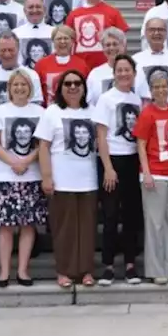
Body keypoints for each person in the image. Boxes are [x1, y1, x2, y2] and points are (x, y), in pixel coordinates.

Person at [38, 68, 100, 288]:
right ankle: (64, 270)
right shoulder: (52, 112)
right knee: (64, 229)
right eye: (68, 84)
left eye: (77, 84)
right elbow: (43, 147)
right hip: (62, 181)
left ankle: (86, 271)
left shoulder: (93, 112)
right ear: (60, 88)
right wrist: (47, 177)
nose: (73, 87)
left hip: (88, 181)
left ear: (84, 88)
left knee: (87, 229)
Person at [0, 71, 46, 288]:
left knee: (28, 225)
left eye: (24, 84)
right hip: (4, 176)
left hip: (31, 176)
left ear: (30, 88)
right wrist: (13, 162)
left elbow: (42, 144)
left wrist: (27, 160)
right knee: (5, 226)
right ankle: (4, 271)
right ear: (9, 89)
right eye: (15, 85)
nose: (20, 88)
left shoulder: (40, 112)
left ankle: (23, 270)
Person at [92, 55, 144, 285]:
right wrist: (108, 168)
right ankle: (109, 265)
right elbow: (101, 135)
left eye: (127, 70)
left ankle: (131, 264)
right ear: (114, 73)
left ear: (134, 73)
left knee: (132, 215)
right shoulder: (106, 99)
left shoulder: (137, 100)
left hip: (133, 161)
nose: (123, 74)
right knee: (111, 215)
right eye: (119, 70)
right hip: (112, 160)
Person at [134, 70, 168, 284]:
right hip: (154, 173)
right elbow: (141, 144)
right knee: (154, 223)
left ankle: (166, 267)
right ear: (151, 90)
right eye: (156, 87)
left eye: (164, 86)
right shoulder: (147, 113)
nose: (161, 90)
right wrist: (146, 172)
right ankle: (155, 270)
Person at [66, 0, 127, 71]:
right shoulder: (73, 14)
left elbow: (123, 42)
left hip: (108, 68)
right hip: (80, 69)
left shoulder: (113, 12)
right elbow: (67, 42)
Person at [0, 34, 40, 109]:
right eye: (3, 50)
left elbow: (36, 107)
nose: (7, 54)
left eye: (11, 50)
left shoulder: (32, 75)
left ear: (18, 50)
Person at [35, 25, 91, 105]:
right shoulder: (41, 64)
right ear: (53, 42)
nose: (62, 41)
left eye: (66, 38)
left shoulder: (82, 64)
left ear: (72, 42)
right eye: (59, 39)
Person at [134, 18, 168, 98]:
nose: (156, 33)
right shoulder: (136, 60)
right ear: (145, 33)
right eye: (152, 30)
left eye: (160, 30)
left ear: (166, 33)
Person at [88, 27, 128, 105]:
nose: (111, 48)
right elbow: (90, 103)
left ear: (124, 46)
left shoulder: (135, 70)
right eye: (107, 45)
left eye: (115, 44)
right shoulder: (95, 74)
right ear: (103, 48)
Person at [15, 0, 54, 69]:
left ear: (44, 9)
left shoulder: (54, 32)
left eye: (38, 7)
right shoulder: (15, 34)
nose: (35, 10)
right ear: (24, 10)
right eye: (31, 7)